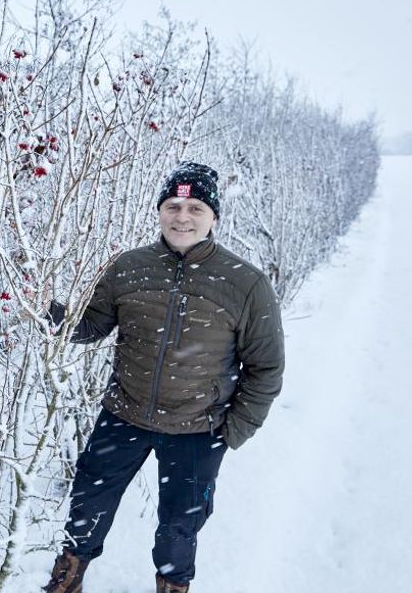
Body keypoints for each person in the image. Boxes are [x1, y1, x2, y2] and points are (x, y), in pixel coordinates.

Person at [43, 162, 285, 593]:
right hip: (125, 414)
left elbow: (265, 367)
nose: (183, 216)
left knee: (180, 526)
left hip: (197, 427)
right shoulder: (129, 267)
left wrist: (233, 430)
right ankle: (68, 580)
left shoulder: (246, 283)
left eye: (195, 207)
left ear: (214, 217)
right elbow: (92, 325)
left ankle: (172, 588)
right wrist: (46, 308)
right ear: (159, 211)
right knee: (87, 504)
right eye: (173, 205)